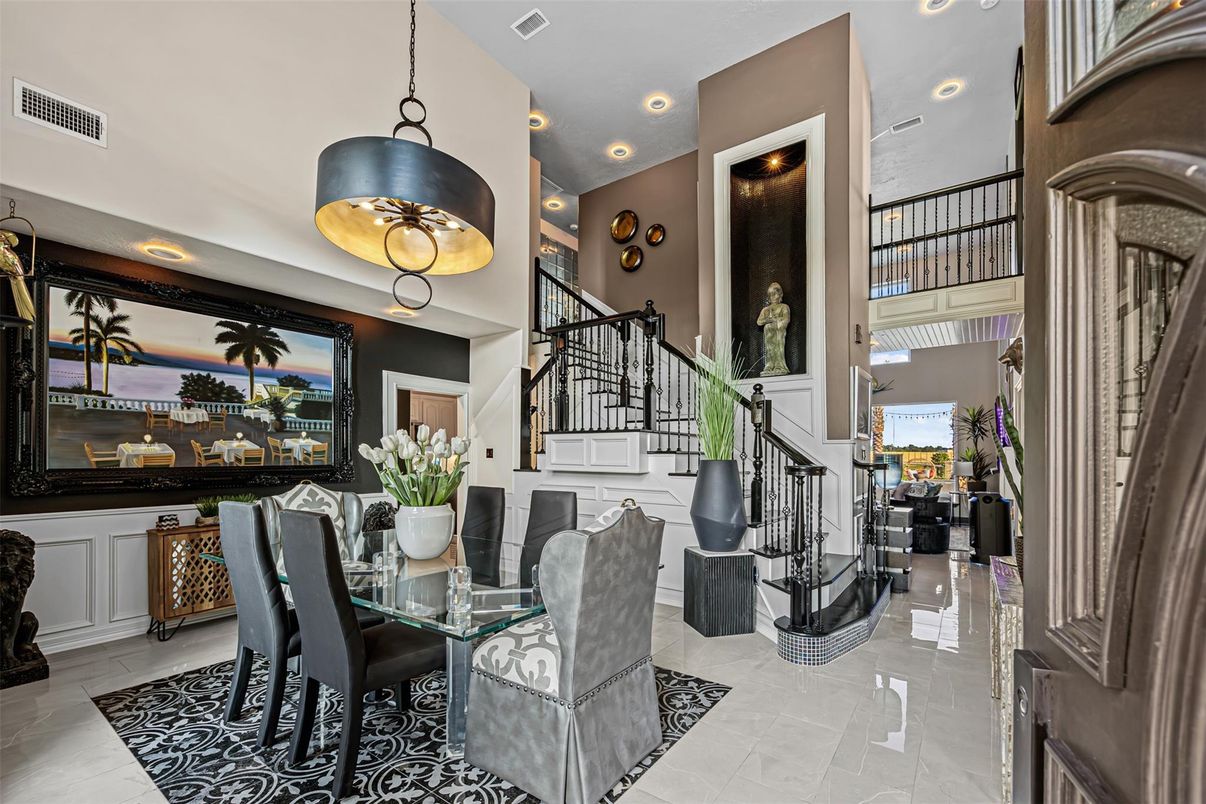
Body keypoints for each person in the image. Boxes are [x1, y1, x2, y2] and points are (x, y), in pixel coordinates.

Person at [756, 281, 790, 376]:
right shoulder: (766, 310)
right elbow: (759, 322)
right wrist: (769, 320)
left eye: (776, 294)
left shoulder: (784, 307)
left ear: (780, 295)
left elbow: (786, 320)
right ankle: (769, 366)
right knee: (769, 349)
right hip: (769, 335)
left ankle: (780, 366)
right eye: (771, 295)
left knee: (778, 349)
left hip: (778, 334)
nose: (774, 297)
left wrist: (778, 322)